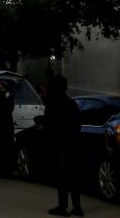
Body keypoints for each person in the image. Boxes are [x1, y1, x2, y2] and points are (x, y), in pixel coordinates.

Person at [44, 75, 83, 217]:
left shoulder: (52, 104)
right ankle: (77, 207)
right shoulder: (71, 103)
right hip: (72, 143)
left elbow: (48, 125)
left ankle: (63, 206)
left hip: (59, 144)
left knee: (62, 176)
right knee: (73, 176)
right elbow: (78, 124)